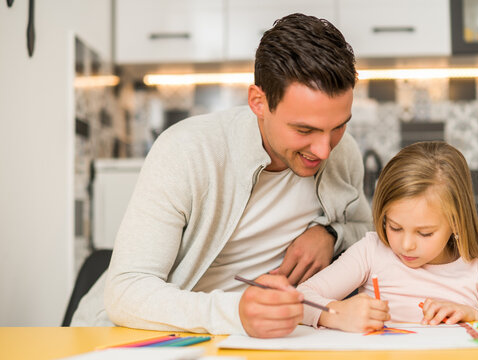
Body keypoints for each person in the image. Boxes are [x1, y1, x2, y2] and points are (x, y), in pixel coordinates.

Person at [71, 13, 372, 338]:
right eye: (304, 129)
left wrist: (330, 234)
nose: (325, 149)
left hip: (271, 340)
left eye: (339, 126)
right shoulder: (186, 151)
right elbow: (126, 292)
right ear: (258, 102)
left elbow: (369, 235)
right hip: (144, 336)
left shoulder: (345, 153)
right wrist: (236, 314)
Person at [297, 141, 478, 333]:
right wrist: (336, 313)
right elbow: (300, 298)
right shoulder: (371, 252)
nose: (406, 245)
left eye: (424, 233)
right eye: (395, 227)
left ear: (456, 222)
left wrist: (474, 317)